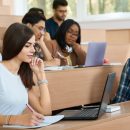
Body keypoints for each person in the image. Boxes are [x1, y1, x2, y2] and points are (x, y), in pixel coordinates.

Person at [0, 23, 52, 126]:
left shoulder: (23, 74)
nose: (33, 50)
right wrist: (16, 119)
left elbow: (45, 111)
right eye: (28, 46)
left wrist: (41, 75)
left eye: (33, 45)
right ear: (15, 44)